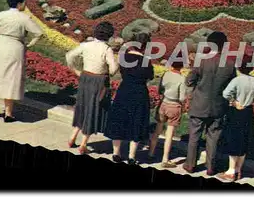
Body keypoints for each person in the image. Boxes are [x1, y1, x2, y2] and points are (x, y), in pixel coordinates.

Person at [182, 31, 237, 176]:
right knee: (213, 137)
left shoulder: (201, 60)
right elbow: (232, 86)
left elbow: (189, 81)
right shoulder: (230, 64)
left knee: (194, 136)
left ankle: (190, 165)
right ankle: (211, 167)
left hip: (199, 104)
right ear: (224, 45)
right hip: (219, 106)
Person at [0, 0, 43, 123]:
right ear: (20, 3)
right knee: (11, 80)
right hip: (16, 48)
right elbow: (39, 33)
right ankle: (8, 113)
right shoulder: (24, 18)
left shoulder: (1, 15)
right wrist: (29, 45)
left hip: (0, 46)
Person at [66, 22, 119, 155]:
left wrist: (75, 70)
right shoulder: (107, 50)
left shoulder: (86, 45)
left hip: (85, 78)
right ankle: (83, 144)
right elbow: (112, 70)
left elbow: (69, 56)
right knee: (92, 110)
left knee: (83, 107)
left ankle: (73, 136)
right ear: (109, 35)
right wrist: (117, 63)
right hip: (99, 81)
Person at [105, 33, 154, 165]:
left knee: (119, 119)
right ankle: (132, 156)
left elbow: (121, 71)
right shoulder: (146, 60)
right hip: (139, 93)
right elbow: (150, 77)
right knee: (137, 121)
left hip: (124, 90)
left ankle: (116, 153)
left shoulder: (124, 57)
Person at [217, 62, 254, 182]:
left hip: (236, 111)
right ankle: (238, 170)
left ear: (239, 68)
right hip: (248, 111)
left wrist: (234, 101)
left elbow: (225, 94)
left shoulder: (237, 80)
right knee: (244, 139)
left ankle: (230, 171)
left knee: (234, 139)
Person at [148, 59, 187, 168]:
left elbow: (160, 89)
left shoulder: (165, 74)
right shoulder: (181, 79)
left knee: (157, 130)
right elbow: (182, 97)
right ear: (182, 66)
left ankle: (151, 152)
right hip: (174, 106)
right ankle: (165, 159)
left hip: (163, 103)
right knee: (169, 134)